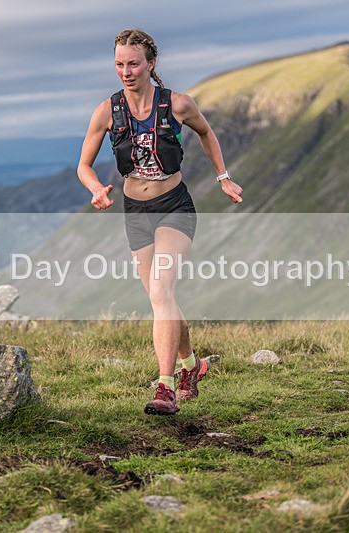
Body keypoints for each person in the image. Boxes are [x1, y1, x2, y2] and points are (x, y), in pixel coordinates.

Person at [77, 29, 243, 415]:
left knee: (160, 291)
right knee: (160, 296)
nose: (126, 71)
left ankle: (165, 386)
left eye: (133, 63)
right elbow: (84, 165)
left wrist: (222, 177)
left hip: (174, 206)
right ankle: (192, 366)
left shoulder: (178, 104)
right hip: (134, 213)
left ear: (151, 64)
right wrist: (96, 189)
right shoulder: (107, 111)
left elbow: (206, 133)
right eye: (119, 64)